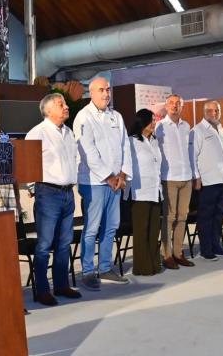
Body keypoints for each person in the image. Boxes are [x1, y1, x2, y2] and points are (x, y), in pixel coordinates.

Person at [73, 77, 132, 290]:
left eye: (108, 89)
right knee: (92, 228)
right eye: (101, 90)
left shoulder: (116, 116)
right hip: (94, 183)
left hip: (116, 182)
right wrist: (109, 177)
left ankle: (105, 266)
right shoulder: (83, 117)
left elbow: (126, 147)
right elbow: (88, 152)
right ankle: (88, 271)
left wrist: (123, 175)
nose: (106, 93)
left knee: (111, 227)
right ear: (92, 92)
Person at [24, 93, 81, 305]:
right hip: (48, 192)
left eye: (65, 104)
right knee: (45, 244)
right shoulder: (37, 133)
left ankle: (61, 284)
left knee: (64, 242)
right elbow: (28, 163)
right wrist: (33, 187)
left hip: (67, 192)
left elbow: (76, 158)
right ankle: (42, 289)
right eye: (61, 104)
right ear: (48, 110)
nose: (66, 107)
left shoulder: (68, 132)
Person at [154, 94, 196, 269]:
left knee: (182, 217)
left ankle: (178, 253)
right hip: (169, 177)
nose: (175, 106)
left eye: (178, 103)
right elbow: (155, 153)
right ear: (166, 106)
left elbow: (191, 153)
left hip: (186, 177)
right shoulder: (160, 126)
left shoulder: (186, 126)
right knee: (169, 218)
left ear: (182, 106)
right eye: (171, 103)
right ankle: (167, 254)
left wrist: (195, 175)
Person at [191, 101, 223, 259]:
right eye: (210, 110)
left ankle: (216, 245)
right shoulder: (198, 130)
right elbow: (192, 156)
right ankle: (206, 249)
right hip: (207, 181)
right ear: (204, 112)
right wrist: (196, 177)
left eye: (216, 110)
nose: (214, 113)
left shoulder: (220, 128)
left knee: (218, 216)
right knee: (206, 217)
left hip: (222, 179)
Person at [124, 109, 163, 276]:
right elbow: (127, 166)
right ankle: (142, 267)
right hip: (139, 192)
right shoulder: (131, 142)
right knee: (141, 230)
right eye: (152, 120)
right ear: (143, 121)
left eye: (155, 120)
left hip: (155, 190)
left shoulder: (154, 141)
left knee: (154, 230)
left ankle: (154, 263)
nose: (154, 123)